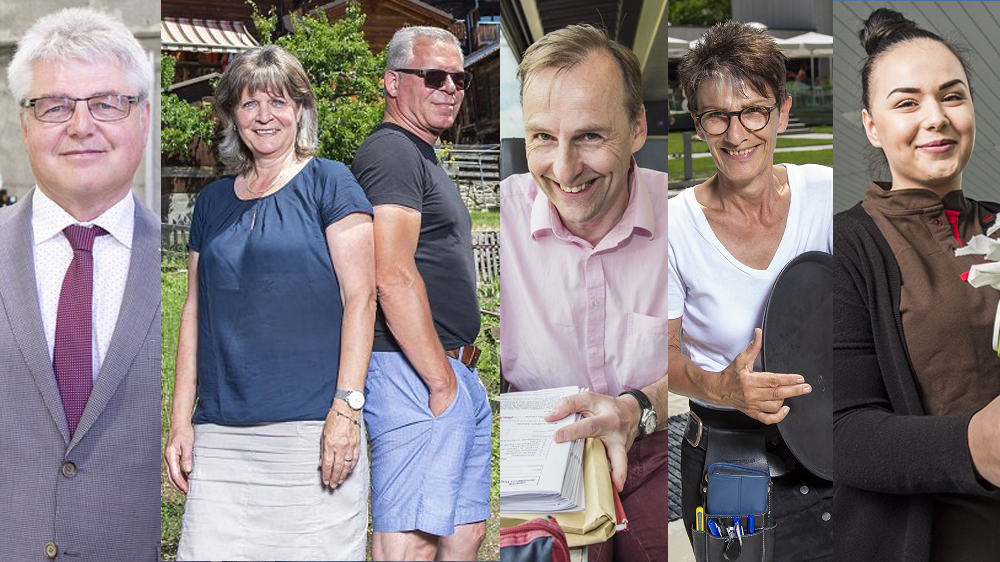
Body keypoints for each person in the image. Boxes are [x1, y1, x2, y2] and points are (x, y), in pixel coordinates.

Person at [163, 45, 376, 561]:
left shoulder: (330, 182)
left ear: (300, 109)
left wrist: (345, 410)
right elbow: (195, 311)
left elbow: (362, 297)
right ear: (232, 114)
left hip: (312, 432)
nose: (264, 116)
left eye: (278, 102)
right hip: (221, 433)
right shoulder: (212, 202)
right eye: (249, 103)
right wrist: (180, 421)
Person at [833, 8, 1000, 561]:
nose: (937, 118)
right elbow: (842, 434)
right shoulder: (847, 247)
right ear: (872, 125)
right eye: (907, 102)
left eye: (953, 96)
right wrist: (975, 444)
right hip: (938, 542)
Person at [499, 24, 670, 561]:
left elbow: (719, 369)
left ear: (637, 127)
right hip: (538, 456)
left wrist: (639, 406)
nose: (565, 169)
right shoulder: (498, 218)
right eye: (543, 138)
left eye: (590, 136)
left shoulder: (685, 220)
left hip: (654, 444)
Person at [669, 21, 833, 561]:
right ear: (698, 124)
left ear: (783, 112)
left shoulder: (827, 195)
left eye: (753, 110)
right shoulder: (672, 228)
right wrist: (723, 388)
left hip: (833, 452)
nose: (736, 134)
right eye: (716, 115)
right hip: (729, 459)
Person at [0, 8, 159, 561]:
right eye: (55, 105)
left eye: (107, 102)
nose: (81, 125)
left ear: (143, 116)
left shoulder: (200, 259)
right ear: (25, 123)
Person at [350, 26, 490, 562]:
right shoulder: (391, 153)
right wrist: (439, 379)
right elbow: (392, 273)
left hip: (451, 371)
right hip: (414, 372)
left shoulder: (422, 154)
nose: (450, 87)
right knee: (411, 544)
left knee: (463, 535)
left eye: (459, 76)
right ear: (392, 82)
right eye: (433, 75)